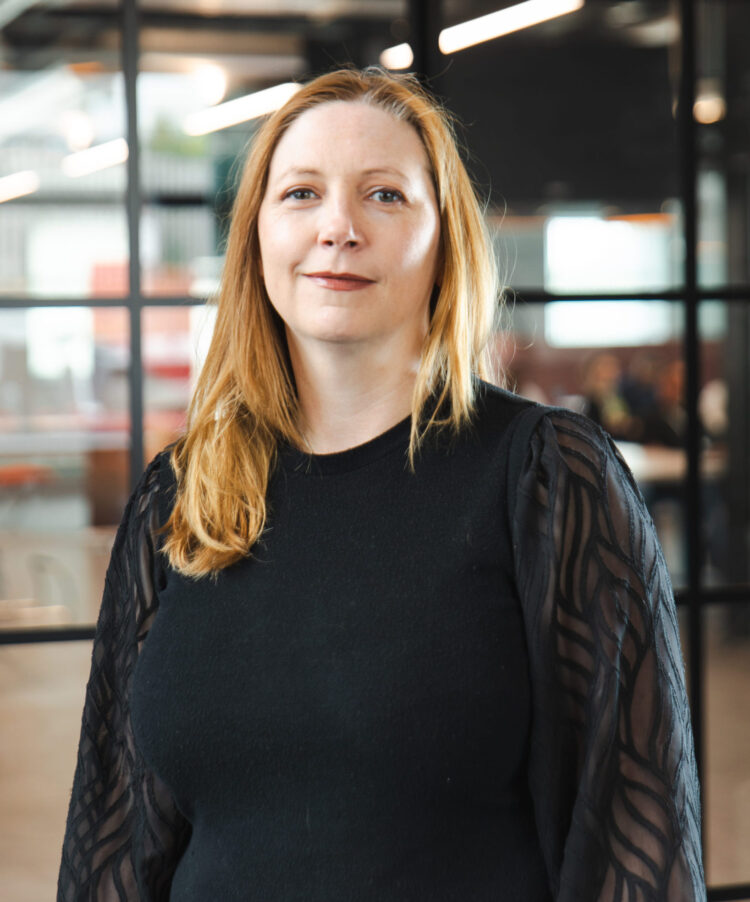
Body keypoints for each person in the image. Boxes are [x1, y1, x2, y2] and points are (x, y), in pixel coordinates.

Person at [58, 68, 706, 901]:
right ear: (256, 236)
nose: (339, 228)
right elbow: (112, 837)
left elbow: (634, 833)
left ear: (445, 240)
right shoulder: (180, 495)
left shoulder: (545, 476)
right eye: (301, 193)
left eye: (385, 196)